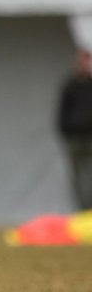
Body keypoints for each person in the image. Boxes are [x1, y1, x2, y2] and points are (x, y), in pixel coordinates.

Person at [58, 47, 92, 210]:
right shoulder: (70, 85)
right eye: (81, 60)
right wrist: (66, 133)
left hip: (90, 137)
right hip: (74, 138)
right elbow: (61, 112)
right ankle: (81, 211)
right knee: (77, 177)